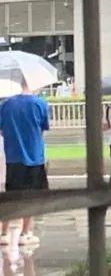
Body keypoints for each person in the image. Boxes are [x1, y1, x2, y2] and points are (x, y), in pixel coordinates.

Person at [0, 85, 50, 247]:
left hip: (13, 156)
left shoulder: (6, 105)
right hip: (35, 156)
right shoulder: (40, 103)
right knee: (32, 196)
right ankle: (25, 233)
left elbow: (1, 129)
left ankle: (4, 233)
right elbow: (43, 128)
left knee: (11, 195)